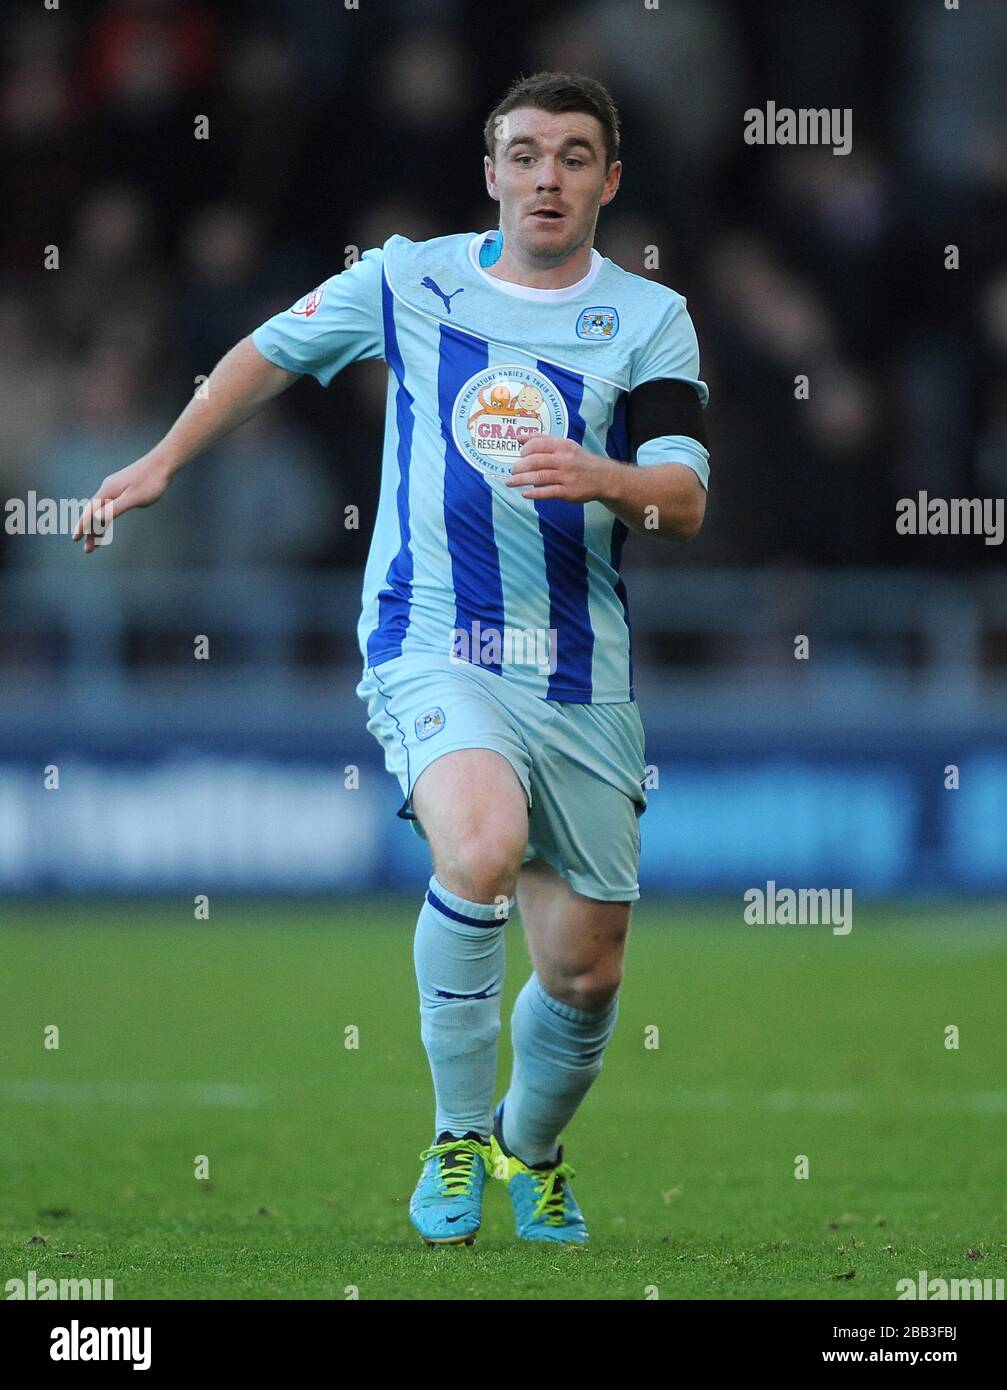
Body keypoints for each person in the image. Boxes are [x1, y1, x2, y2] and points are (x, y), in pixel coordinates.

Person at [74, 71, 711, 1247]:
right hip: (431, 640)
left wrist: (604, 477)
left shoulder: (645, 319)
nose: (546, 177)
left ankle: (529, 1149)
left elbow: (683, 498)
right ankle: (458, 1136)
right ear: (490, 174)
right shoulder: (409, 275)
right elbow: (267, 350)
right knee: (479, 847)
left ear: (609, 180)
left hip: (579, 672)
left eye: (574, 157)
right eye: (523, 154)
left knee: (584, 973)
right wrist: (164, 460)